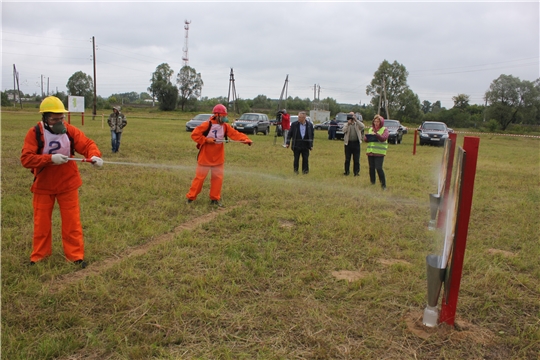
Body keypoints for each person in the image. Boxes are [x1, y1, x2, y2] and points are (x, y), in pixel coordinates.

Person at [20, 96, 104, 268]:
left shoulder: (70, 131)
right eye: (55, 119)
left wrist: (94, 155)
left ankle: (75, 256)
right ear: (45, 117)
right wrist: (49, 159)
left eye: (61, 118)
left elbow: (87, 144)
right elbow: (26, 159)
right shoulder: (35, 133)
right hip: (43, 186)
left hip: (68, 183)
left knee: (72, 222)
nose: (59, 122)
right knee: (41, 223)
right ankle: (39, 256)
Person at [186, 104, 253, 207]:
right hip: (205, 157)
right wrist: (206, 140)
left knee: (217, 179)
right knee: (199, 178)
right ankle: (191, 198)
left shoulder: (225, 126)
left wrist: (245, 139)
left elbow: (235, 134)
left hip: (218, 158)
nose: (225, 118)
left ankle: (215, 199)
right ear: (216, 115)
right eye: (223, 116)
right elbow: (194, 134)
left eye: (225, 116)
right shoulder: (206, 124)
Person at [364, 114, 389, 190]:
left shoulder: (384, 129)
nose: (376, 123)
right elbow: (365, 139)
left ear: (381, 122)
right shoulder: (371, 129)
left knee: (379, 168)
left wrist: (376, 135)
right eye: (375, 121)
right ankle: (372, 182)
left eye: (378, 121)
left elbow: (383, 138)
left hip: (379, 152)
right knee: (371, 168)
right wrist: (368, 137)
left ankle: (383, 185)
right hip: (371, 152)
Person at [342, 112, 365, 176]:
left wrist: (356, 120)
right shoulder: (346, 124)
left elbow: (363, 126)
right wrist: (348, 124)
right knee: (347, 159)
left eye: (352, 116)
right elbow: (343, 130)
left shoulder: (357, 124)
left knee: (356, 159)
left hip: (356, 143)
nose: (351, 118)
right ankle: (346, 171)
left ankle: (356, 172)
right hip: (348, 143)